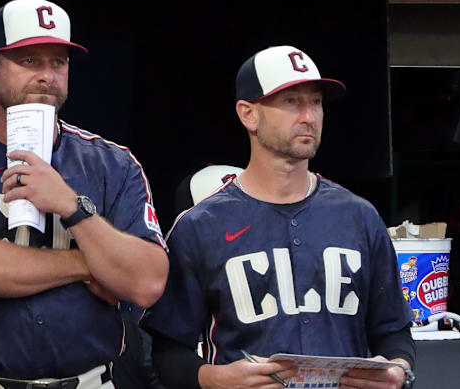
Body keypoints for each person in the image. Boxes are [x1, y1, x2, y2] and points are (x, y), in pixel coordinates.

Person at [0, 0, 169, 389]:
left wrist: (71, 207)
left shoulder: (113, 162)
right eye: (30, 61)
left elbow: (146, 283)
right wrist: (92, 263)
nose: (47, 75)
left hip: (90, 380)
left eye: (57, 62)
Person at [143, 45, 416, 389]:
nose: (309, 116)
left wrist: (397, 369)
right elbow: (165, 351)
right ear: (248, 114)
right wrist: (214, 378)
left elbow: (393, 330)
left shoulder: (358, 216)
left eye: (315, 101)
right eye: (291, 102)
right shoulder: (201, 225)